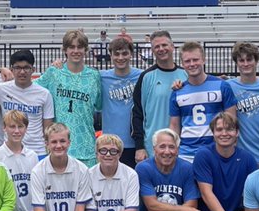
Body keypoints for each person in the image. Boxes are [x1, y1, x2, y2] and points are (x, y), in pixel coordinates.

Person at [37, 30, 102, 166]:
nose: (76, 51)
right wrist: (3, 71)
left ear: (86, 50)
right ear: (65, 50)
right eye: (71, 47)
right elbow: (27, 88)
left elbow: (100, 105)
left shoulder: (94, 76)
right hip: (59, 147)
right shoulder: (54, 72)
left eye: (79, 47)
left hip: (86, 147)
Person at [168, 41, 237, 165]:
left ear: (203, 60)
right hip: (187, 153)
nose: (192, 64)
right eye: (187, 61)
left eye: (196, 60)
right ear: (182, 64)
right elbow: (174, 126)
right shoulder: (177, 91)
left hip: (216, 151)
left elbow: (232, 121)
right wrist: (175, 149)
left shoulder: (222, 86)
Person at [0, 49, 55, 157]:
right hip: (9, 152)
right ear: (12, 69)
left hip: (37, 152)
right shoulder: (0, 90)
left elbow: (47, 128)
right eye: (18, 68)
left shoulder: (44, 94)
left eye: (26, 68)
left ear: (33, 69)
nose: (22, 72)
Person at [131, 30, 187, 162]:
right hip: (152, 148)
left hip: (182, 148)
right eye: (157, 46)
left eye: (164, 45)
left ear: (172, 47)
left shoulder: (185, 75)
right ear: (152, 50)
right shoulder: (146, 77)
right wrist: (139, 147)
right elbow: (137, 113)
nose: (161, 49)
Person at [226, 42, 259, 164]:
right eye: (241, 60)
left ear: (256, 61)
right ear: (237, 63)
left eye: (249, 59)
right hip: (238, 156)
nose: (245, 64)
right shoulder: (228, 86)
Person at [100, 37, 141, 167]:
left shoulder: (142, 76)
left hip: (134, 143)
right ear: (110, 55)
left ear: (131, 54)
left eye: (124, 53)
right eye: (116, 54)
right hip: (110, 143)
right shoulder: (101, 77)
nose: (120, 57)